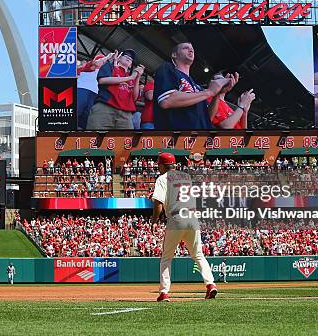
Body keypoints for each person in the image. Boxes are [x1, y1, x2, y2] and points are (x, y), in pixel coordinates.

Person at [151, 152, 217, 301]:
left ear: (162, 165)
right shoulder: (186, 176)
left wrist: (154, 221)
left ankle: (164, 292)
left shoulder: (162, 178)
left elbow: (158, 203)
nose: (158, 167)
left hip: (176, 217)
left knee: (167, 257)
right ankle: (211, 284)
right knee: (198, 254)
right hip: (192, 217)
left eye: (159, 165)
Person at [153, 42, 229, 130]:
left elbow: (208, 118)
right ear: (174, 54)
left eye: (192, 49)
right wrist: (209, 92)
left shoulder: (197, 87)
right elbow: (166, 100)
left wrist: (217, 94)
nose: (191, 50)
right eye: (185, 48)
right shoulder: (168, 68)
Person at [86, 49, 145, 130]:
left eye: (131, 59)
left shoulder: (132, 79)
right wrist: (130, 77)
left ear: (131, 65)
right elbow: (102, 80)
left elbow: (134, 98)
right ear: (119, 58)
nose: (128, 58)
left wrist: (137, 77)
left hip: (126, 114)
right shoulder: (111, 66)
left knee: (125, 141)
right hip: (105, 107)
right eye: (126, 56)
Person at [76, 53, 109, 130]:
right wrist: (107, 57)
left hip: (95, 95)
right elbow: (97, 63)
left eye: (103, 61)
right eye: (99, 59)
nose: (102, 62)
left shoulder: (104, 74)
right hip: (82, 90)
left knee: (86, 118)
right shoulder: (88, 67)